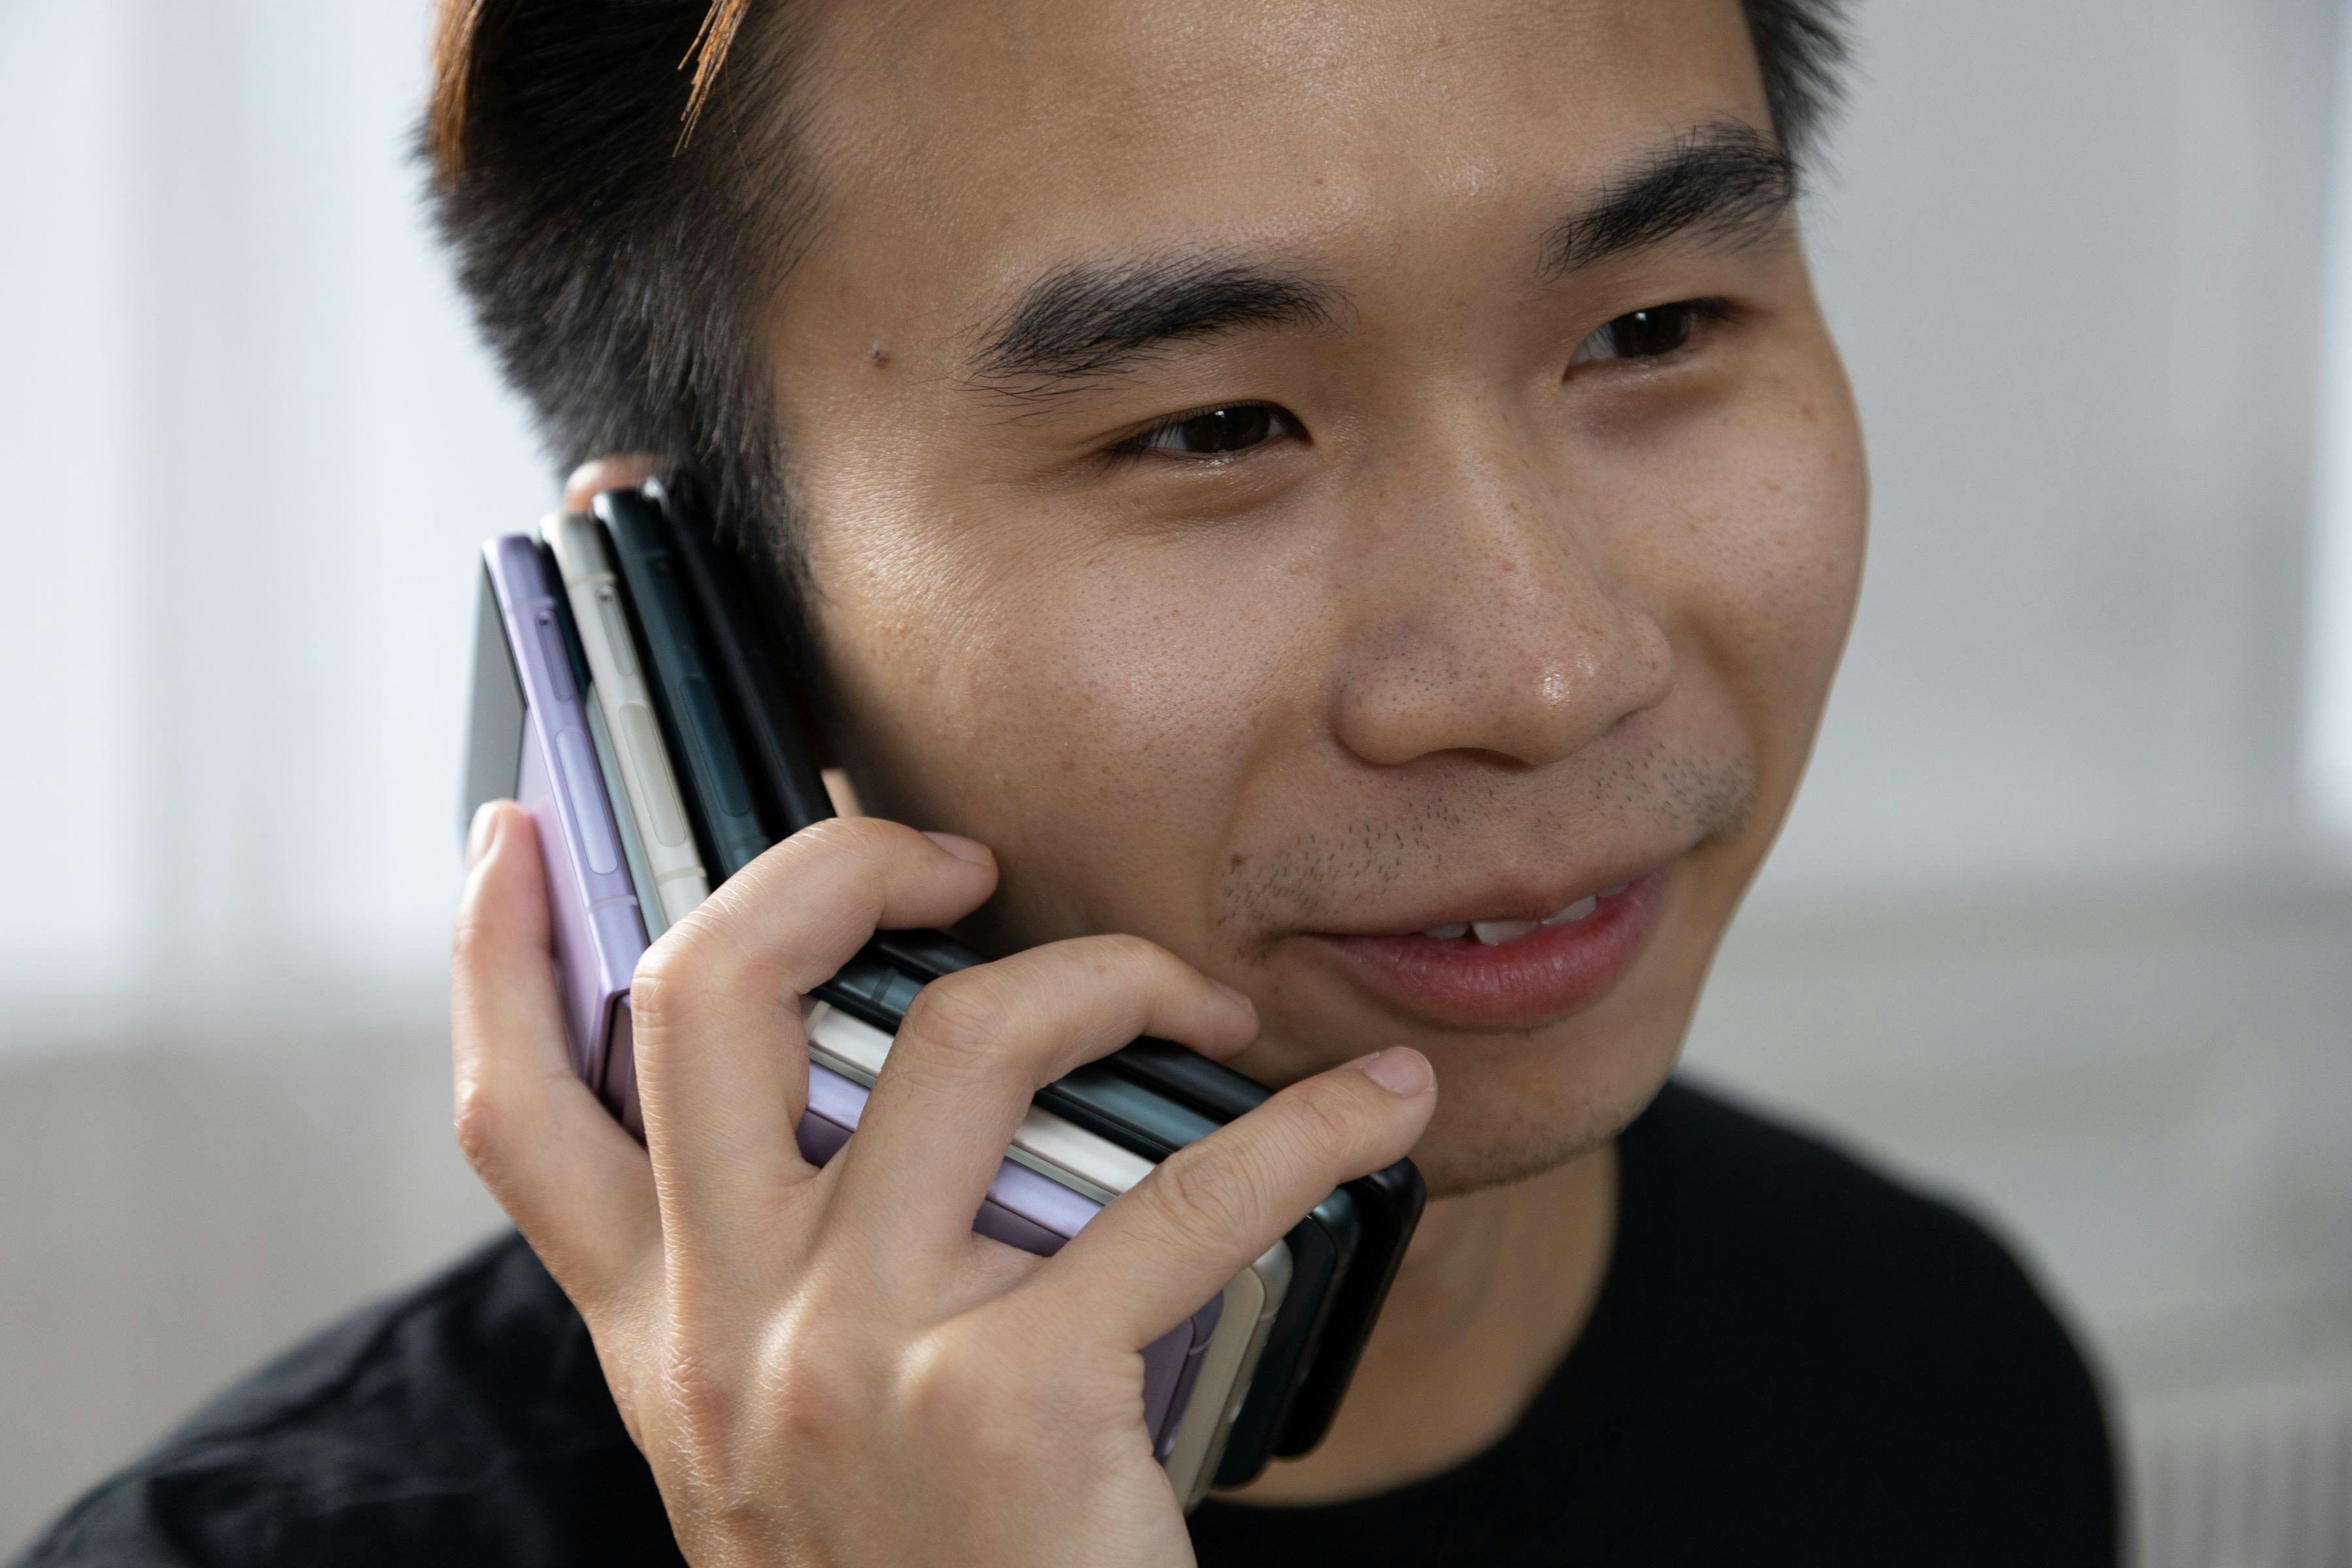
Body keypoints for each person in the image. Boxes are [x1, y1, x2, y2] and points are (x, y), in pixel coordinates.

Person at [16, 1, 2117, 1563]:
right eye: (1211, 430)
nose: (1549, 671)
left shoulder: (1933, 1365)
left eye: (1650, 327)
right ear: (701, 621)